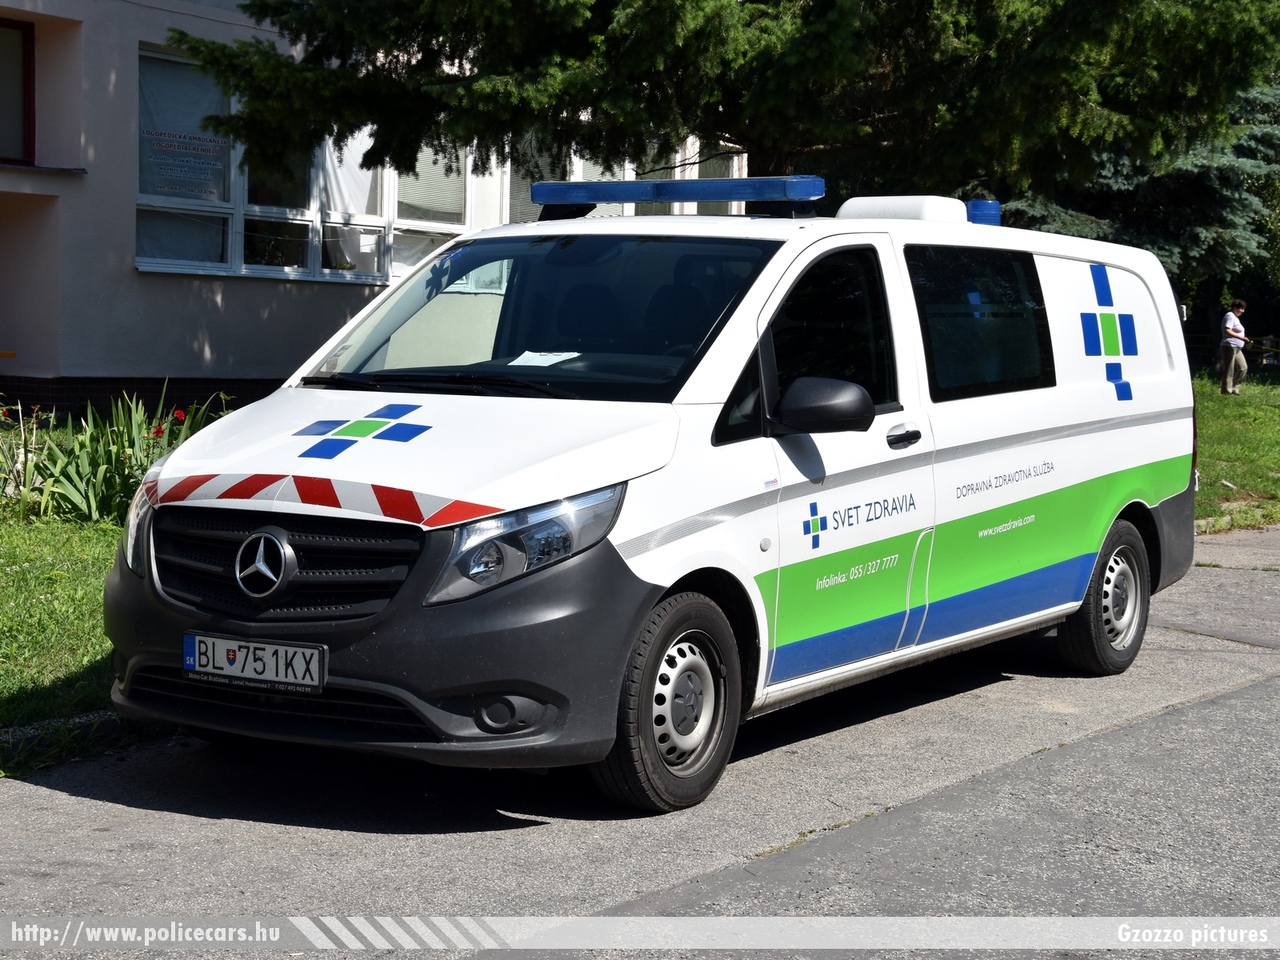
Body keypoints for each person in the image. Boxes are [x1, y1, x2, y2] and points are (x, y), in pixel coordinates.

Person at [1221, 299, 1250, 395]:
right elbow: (1227, 330)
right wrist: (1241, 338)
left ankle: (1235, 389)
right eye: (1241, 309)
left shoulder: (1235, 318)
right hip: (1229, 345)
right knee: (1229, 369)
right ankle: (1226, 392)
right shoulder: (1229, 316)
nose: (1243, 311)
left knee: (1243, 368)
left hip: (1238, 348)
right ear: (1235, 308)